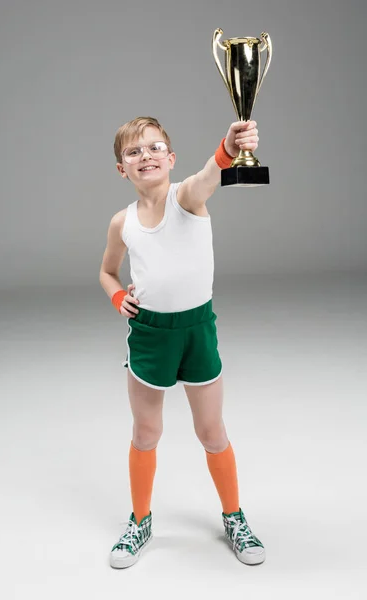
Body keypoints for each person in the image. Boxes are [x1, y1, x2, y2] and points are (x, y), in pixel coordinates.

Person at [99, 116, 265, 569]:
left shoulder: (187, 198)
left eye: (154, 148)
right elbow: (106, 270)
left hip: (197, 332)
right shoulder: (122, 222)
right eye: (133, 152)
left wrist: (229, 148)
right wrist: (118, 297)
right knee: (146, 432)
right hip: (150, 336)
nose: (145, 156)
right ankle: (139, 520)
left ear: (171, 159)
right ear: (122, 169)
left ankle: (234, 515)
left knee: (211, 432)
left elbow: (211, 173)